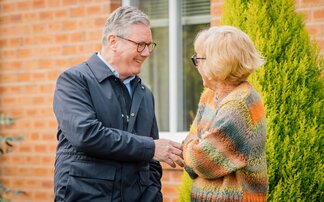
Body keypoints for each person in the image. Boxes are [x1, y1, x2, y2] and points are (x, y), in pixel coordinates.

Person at [53, 6, 183, 202]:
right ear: (113, 42)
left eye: (149, 45)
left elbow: (153, 164)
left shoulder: (144, 93)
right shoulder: (74, 80)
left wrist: (152, 196)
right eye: (140, 44)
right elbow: (86, 135)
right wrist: (150, 148)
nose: (147, 52)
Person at [183, 26, 268, 201]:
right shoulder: (209, 97)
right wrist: (196, 144)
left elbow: (202, 161)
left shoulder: (240, 105)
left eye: (198, 59)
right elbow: (192, 165)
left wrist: (194, 145)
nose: (197, 65)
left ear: (217, 63)